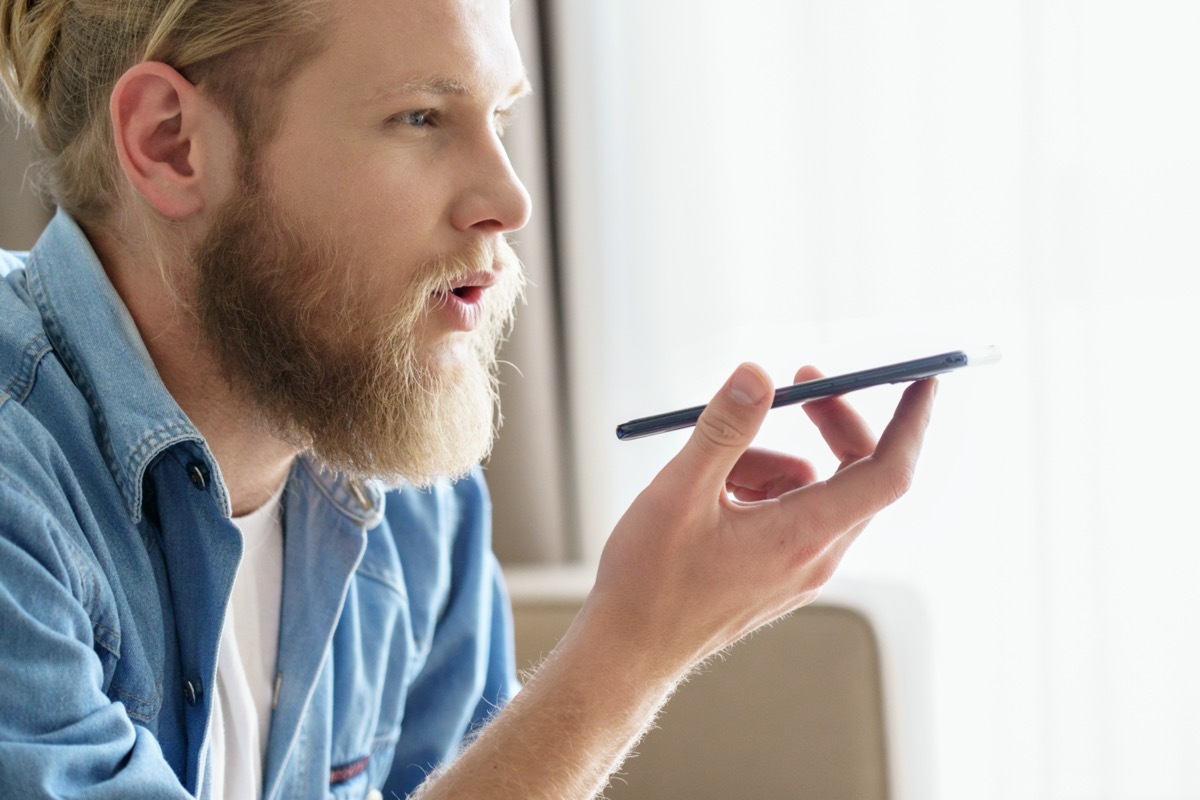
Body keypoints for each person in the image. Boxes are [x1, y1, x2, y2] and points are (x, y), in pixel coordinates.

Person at [0, 0, 937, 797]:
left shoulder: (407, 486)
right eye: (420, 118)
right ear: (171, 144)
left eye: (500, 118)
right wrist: (624, 661)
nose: (509, 198)